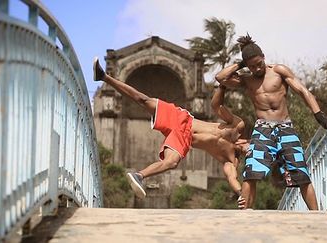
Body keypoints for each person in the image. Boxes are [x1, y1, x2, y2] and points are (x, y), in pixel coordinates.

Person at [93, 57, 248, 199]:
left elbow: (231, 177)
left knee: (171, 163)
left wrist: (240, 194)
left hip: (184, 139)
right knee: (144, 100)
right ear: (250, 141)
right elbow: (216, 106)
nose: (249, 151)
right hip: (182, 119)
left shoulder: (231, 160)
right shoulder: (237, 126)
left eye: (250, 154)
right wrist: (222, 87)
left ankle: (139, 176)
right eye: (252, 147)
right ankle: (103, 76)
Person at [215, 34, 327, 210]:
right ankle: (245, 215)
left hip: (286, 128)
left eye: (259, 63)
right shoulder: (246, 79)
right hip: (263, 130)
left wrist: (318, 113)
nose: (256, 68)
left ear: (264, 57)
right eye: (252, 66)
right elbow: (220, 77)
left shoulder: (279, 71)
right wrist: (241, 64)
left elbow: (302, 90)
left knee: (301, 174)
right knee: (251, 172)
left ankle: (317, 215)